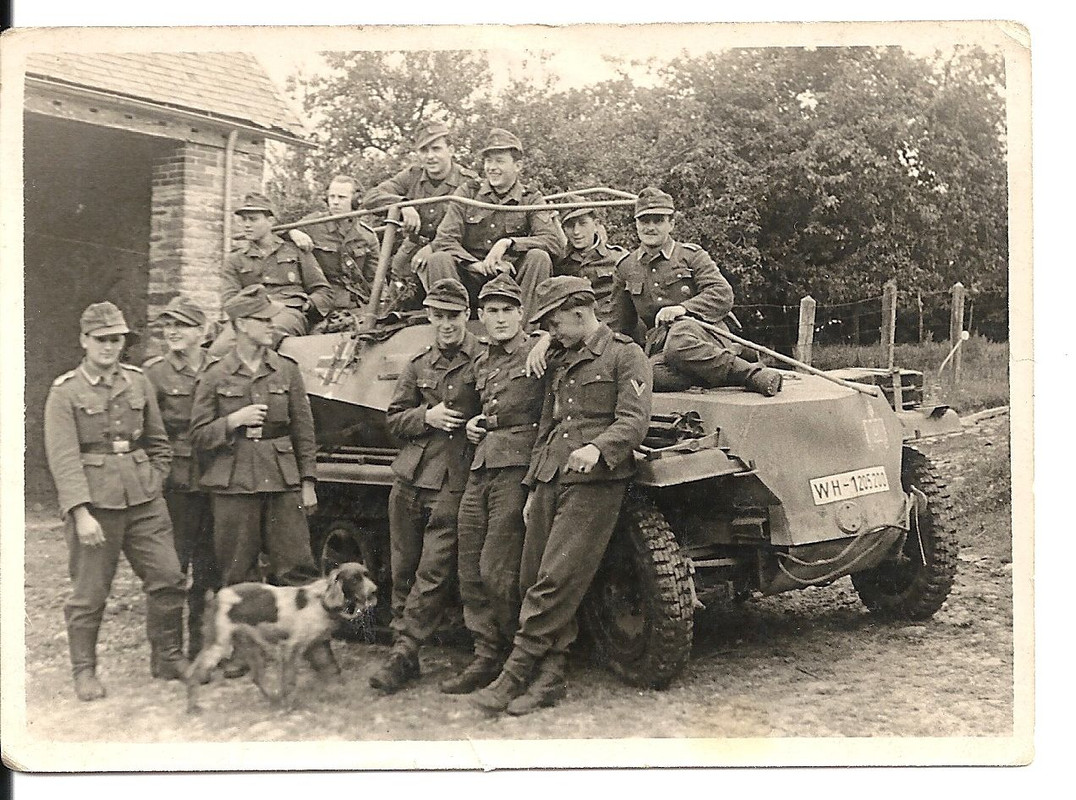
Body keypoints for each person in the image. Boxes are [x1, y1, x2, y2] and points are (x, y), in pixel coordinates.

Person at [469, 276, 652, 716]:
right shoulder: (559, 356)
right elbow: (548, 425)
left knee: (555, 579)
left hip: (595, 482)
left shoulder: (625, 355)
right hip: (552, 476)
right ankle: (550, 675)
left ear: (579, 311)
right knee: (531, 575)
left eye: (554, 322)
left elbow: (633, 421)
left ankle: (516, 673)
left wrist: (598, 448)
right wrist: (533, 486)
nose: (550, 331)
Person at [44, 302, 188, 701]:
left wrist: (154, 480)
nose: (110, 347)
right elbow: (63, 457)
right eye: (102, 339)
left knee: (168, 577)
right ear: (84, 341)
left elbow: (158, 442)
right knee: (90, 593)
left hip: (144, 501)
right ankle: (84, 672)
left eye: (117, 339)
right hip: (95, 506)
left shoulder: (138, 382)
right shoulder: (66, 391)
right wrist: (79, 512)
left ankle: (167, 658)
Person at [189, 284, 335, 675]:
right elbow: (198, 434)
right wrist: (232, 421)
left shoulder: (286, 370)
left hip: (282, 481)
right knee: (238, 572)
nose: (272, 325)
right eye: (263, 320)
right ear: (239, 325)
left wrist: (307, 481)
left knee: (299, 568)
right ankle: (241, 652)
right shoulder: (215, 374)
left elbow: (304, 431)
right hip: (234, 483)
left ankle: (316, 645)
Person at [369, 278, 483, 694]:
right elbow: (394, 419)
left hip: (455, 478)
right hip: (410, 477)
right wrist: (426, 416)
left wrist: (476, 426)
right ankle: (407, 650)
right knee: (403, 567)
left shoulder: (483, 360)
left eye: (453, 316)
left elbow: (504, 408)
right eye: (438, 316)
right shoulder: (419, 363)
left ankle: (402, 651)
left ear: (467, 316)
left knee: (433, 570)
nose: (446, 324)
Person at [440, 274, 544, 696]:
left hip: (518, 466)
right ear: (481, 318)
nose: (500, 319)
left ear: (520, 314)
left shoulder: (539, 350)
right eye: (492, 312)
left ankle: (519, 658)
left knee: (498, 570)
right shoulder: (481, 361)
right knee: (469, 569)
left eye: (507, 310)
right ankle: (486, 655)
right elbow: (467, 404)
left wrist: (545, 342)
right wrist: (469, 423)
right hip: (482, 466)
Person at [611, 187, 783, 395]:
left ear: (671, 223)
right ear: (636, 224)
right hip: (663, 351)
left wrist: (683, 309)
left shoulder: (691, 255)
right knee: (646, 375)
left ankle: (751, 374)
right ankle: (724, 367)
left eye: (658, 220)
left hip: (704, 334)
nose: (650, 227)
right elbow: (620, 326)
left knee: (679, 339)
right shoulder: (626, 267)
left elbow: (722, 293)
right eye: (644, 221)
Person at [142, 295, 219, 658]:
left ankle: (201, 651)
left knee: (211, 571)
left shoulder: (220, 367)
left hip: (218, 480)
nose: (172, 331)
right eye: (167, 325)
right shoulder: (154, 373)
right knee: (171, 571)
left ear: (202, 332)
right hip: (176, 485)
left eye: (181, 325)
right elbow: (145, 432)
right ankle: (167, 654)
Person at [425, 128, 565, 321]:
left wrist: (508, 243)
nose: (492, 167)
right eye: (488, 161)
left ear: (518, 166)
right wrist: (476, 265)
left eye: (499, 161)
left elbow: (552, 242)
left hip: (512, 283)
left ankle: (526, 335)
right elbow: (444, 239)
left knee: (538, 257)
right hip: (470, 278)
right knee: (438, 258)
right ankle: (451, 330)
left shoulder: (531, 198)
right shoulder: (468, 193)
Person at [362, 121, 479, 296]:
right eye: (424, 150)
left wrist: (434, 248)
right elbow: (371, 197)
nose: (430, 156)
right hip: (412, 254)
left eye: (436, 149)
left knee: (446, 295)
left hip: (453, 257)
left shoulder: (468, 182)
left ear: (451, 150)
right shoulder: (412, 176)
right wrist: (402, 204)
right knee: (396, 307)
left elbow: (474, 232)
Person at [209, 192, 333, 354]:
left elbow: (323, 291)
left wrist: (307, 305)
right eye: (243, 220)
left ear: (270, 221)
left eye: (253, 219)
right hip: (248, 317)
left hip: (288, 312)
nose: (247, 225)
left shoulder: (295, 250)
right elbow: (230, 301)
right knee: (216, 352)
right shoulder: (235, 259)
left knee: (262, 342)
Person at [286, 175, 381, 310]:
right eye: (332, 197)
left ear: (355, 201)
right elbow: (275, 233)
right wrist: (292, 232)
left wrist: (382, 305)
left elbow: (375, 278)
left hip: (356, 301)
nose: (335, 202)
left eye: (341, 197)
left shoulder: (367, 235)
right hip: (322, 300)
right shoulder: (313, 224)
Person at [553, 194, 628, 328]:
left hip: (612, 326)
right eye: (570, 225)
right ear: (563, 229)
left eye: (583, 223)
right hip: (575, 327)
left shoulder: (618, 257)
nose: (576, 231)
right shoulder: (560, 262)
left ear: (596, 224)